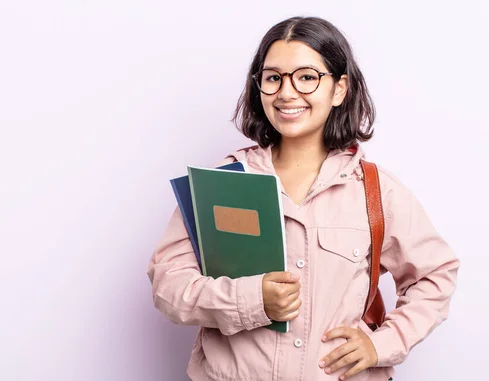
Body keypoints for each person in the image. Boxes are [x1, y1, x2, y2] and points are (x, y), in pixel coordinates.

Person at [147, 16, 460, 381]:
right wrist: (252, 300)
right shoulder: (222, 182)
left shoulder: (375, 190)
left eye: (307, 77)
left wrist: (382, 343)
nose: (286, 92)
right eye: (273, 77)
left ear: (340, 89)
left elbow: (436, 275)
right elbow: (168, 284)